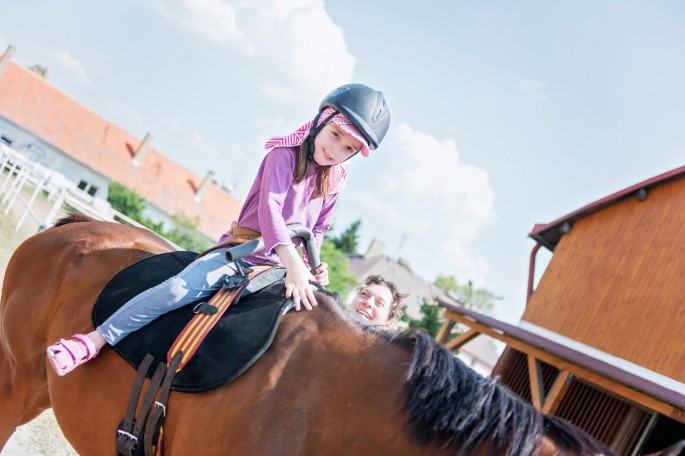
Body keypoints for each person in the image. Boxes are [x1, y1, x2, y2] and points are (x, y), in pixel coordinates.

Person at [46, 83, 391, 376]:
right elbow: (270, 211)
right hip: (244, 255)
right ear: (321, 122)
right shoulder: (282, 156)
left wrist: (313, 266)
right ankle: (94, 340)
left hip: (286, 269)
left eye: (347, 148)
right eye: (335, 136)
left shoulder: (334, 182)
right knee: (178, 290)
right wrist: (294, 263)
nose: (335, 150)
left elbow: (316, 230)